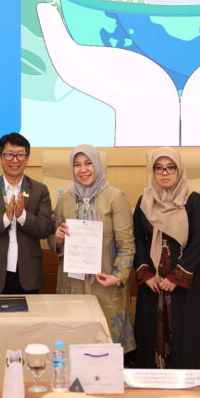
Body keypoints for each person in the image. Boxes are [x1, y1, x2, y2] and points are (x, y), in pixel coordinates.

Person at [133, 147, 200, 370]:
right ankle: (154, 383)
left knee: (186, 333)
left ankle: (188, 383)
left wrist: (177, 276)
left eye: (170, 167)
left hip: (185, 281)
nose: (164, 173)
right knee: (151, 331)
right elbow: (138, 240)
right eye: (159, 168)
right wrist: (146, 274)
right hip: (154, 283)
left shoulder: (193, 201)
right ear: (153, 172)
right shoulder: (144, 201)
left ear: (179, 170)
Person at [49, 145, 135, 352]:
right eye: (77, 165)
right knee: (72, 343)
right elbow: (52, 240)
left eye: (88, 163)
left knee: (105, 348)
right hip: (72, 284)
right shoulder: (65, 199)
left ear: (97, 164)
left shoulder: (116, 197)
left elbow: (126, 243)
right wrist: (58, 238)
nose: (83, 169)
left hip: (105, 283)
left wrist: (118, 276)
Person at [0, 132, 54, 294]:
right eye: (9, 155)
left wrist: (22, 216)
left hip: (28, 272)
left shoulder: (40, 190)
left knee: (29, 312)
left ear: (27, 158)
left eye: (20, 155)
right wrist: (5, 219)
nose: (15, 160)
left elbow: (45, 229)